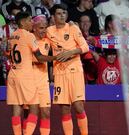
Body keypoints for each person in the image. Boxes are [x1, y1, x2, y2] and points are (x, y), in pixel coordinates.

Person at [7, 12, 56, 135]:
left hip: (14, 74)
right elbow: (39, 57)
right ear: (23, 23)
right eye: (30, 20)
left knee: (17, 109)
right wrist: (56, 57)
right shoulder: (29, 36)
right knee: (33, 110)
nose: (31, 22)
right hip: (26, 76)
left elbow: (8, 54)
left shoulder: (12, 35)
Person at [46, 4, 89, 135]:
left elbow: (85, 47)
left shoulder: (73, 28)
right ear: (53, 17)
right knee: (64, 108)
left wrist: (70, 53)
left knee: (78, 106)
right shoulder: (49, 31)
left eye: (64, 13)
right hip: (59, 72)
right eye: (59, 13)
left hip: (75, 70)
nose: (62, 15)